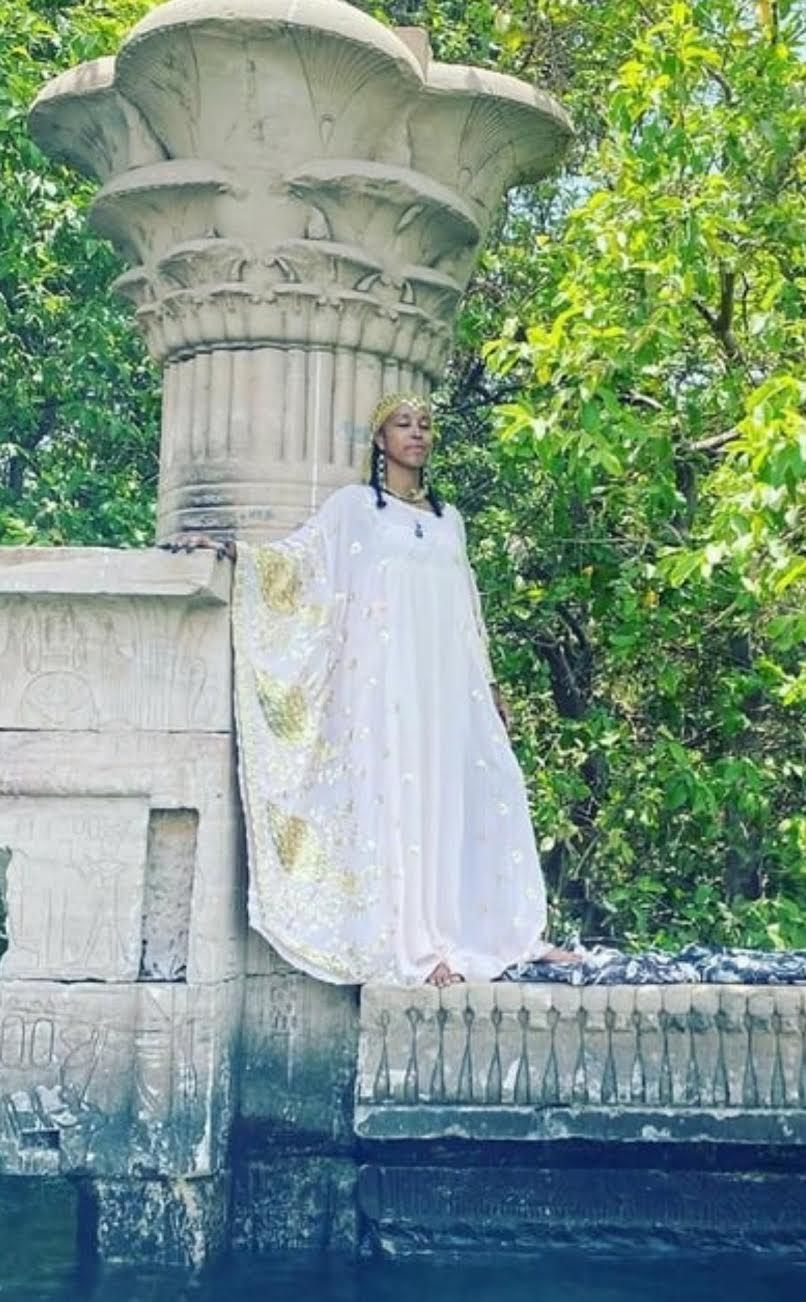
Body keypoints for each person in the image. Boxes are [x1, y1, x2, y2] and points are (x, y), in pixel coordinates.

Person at [169, 394, 574, 986]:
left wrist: (489, 684)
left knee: (467, 792)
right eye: (403, 425)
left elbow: (467, 606)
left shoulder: (448, 519)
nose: (417, 435)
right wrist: (231, 552)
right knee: (397, 801)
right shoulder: (356, 510)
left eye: (425, 425)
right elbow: (300, 563)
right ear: (380, 440)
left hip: (448, 684)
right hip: (384, 686)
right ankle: (416, 947)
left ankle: (482, 935)